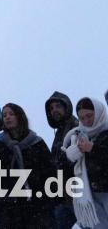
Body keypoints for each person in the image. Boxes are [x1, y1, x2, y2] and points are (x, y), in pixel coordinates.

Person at [0, 102, 56, 229]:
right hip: (10, 206)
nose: (7, 117)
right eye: (4, 115)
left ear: (20, 116)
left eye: (11, 114)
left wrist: (50, 198)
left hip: (37, 203)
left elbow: (50, 171)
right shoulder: (0, 144)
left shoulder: (36, 142)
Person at [62, 97, 108, 229]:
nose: (86, 121)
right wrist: (71, 155)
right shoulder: (76, 136)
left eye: (90, 115)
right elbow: (62, 165)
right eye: (82, 118)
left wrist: (93, 149)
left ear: (99, 112)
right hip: (90, 193)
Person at [47, 92, 80, 229]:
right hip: (62, 193)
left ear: (66, 107)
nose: (54, 110)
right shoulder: (59, 132)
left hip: (76, 190)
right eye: (52, 108)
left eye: (58, 106)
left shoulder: (76, 127)